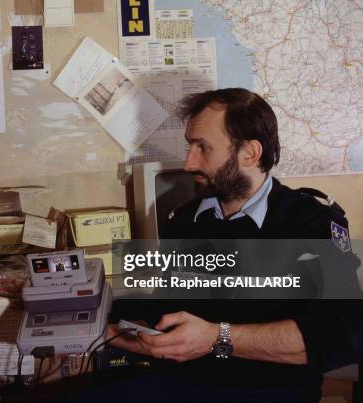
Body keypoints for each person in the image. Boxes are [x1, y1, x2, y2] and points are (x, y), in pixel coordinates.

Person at [60, 88, 362, 403]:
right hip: (182, 381)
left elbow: (344, 333)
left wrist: (217, 338)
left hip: (269, 390)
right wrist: (84, 310)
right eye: (190, 146)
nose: (189, 163)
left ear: (250, 152)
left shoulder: (311, 223)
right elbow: (163, 311)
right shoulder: (186, 221)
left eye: (203, 147)